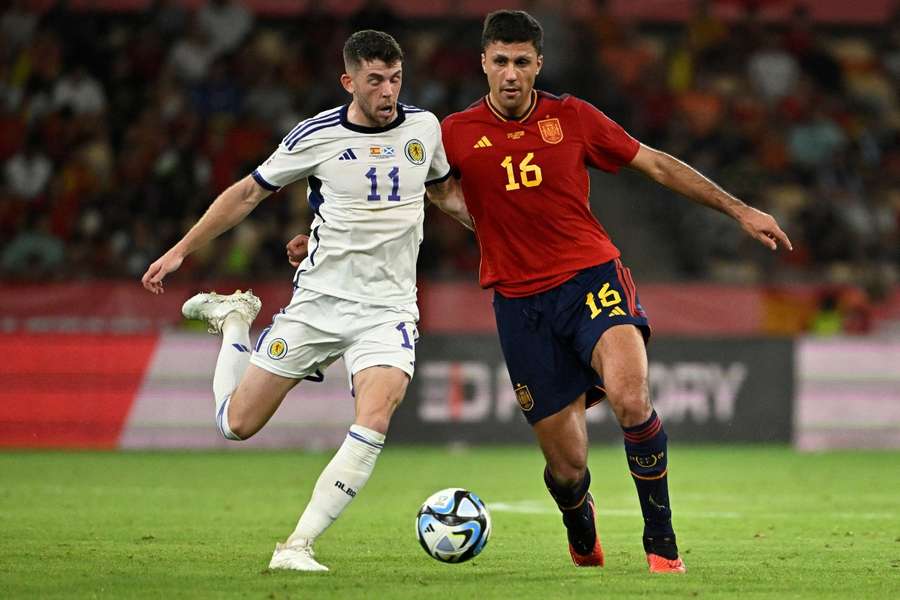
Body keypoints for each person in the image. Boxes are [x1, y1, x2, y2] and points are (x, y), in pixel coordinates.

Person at [308, 10, 793, 574]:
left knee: (631, 398)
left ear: (538, 63)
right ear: (483, 64)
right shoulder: (453, 134)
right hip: (520, 305)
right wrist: (322, 236)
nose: (510, 74)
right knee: (567, 467)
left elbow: (655, 165)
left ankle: (662, 543)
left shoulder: (574, 117)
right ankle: (578, 520)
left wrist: (739, 210)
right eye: (500, 62)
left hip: (592, 277)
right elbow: (397, 186)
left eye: (521, 62)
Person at [141, 30, 468, 572]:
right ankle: (232, 322)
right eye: (375, 80)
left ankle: (297, 545)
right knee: (237, 426)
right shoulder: (313, 137)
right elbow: (247, 193)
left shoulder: (424, 129)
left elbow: (443, 193)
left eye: (395, 79)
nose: (388, 91)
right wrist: (180, 251)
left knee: (376, 415)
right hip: (318, 304)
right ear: (349, 82)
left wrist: (498, 235)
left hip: (388, 310)